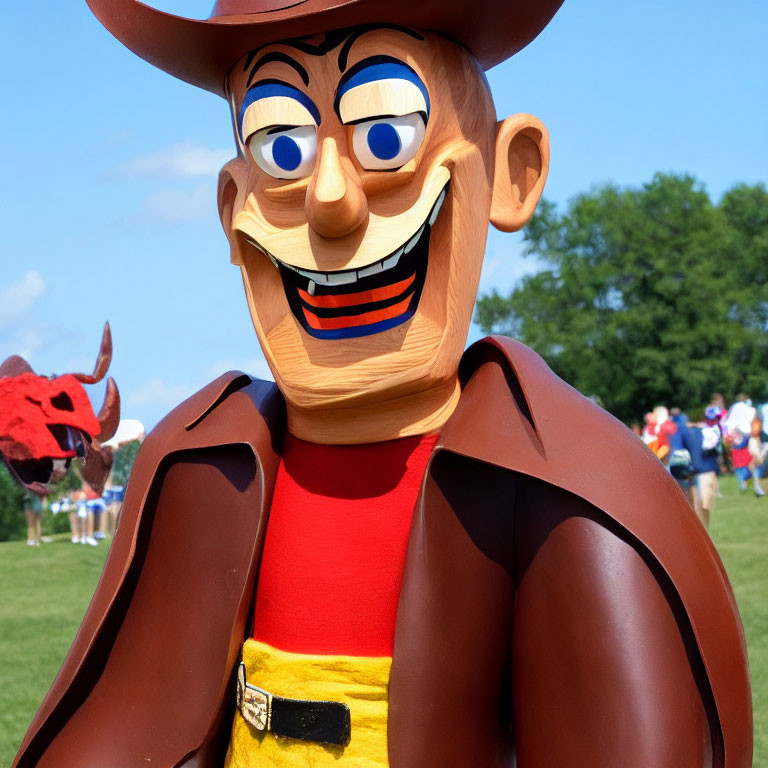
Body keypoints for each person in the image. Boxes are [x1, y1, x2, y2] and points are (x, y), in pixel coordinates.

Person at [13, 2, 751, 767]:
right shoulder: (198, 468)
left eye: (385, 134)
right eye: (281, 146)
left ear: (509, 174)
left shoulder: (567, 491)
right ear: (234, 209)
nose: (333, 200)